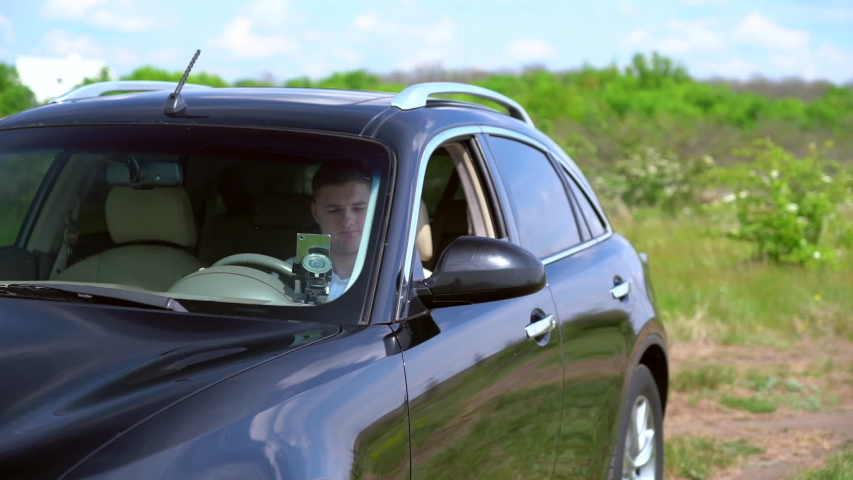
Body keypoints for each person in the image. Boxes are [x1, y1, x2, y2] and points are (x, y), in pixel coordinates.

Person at [304, 158, 372, 301]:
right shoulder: (285, 276)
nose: (347, 221)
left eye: (359, 208)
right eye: (334, 210)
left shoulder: (400, 280)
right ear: (315, 213)